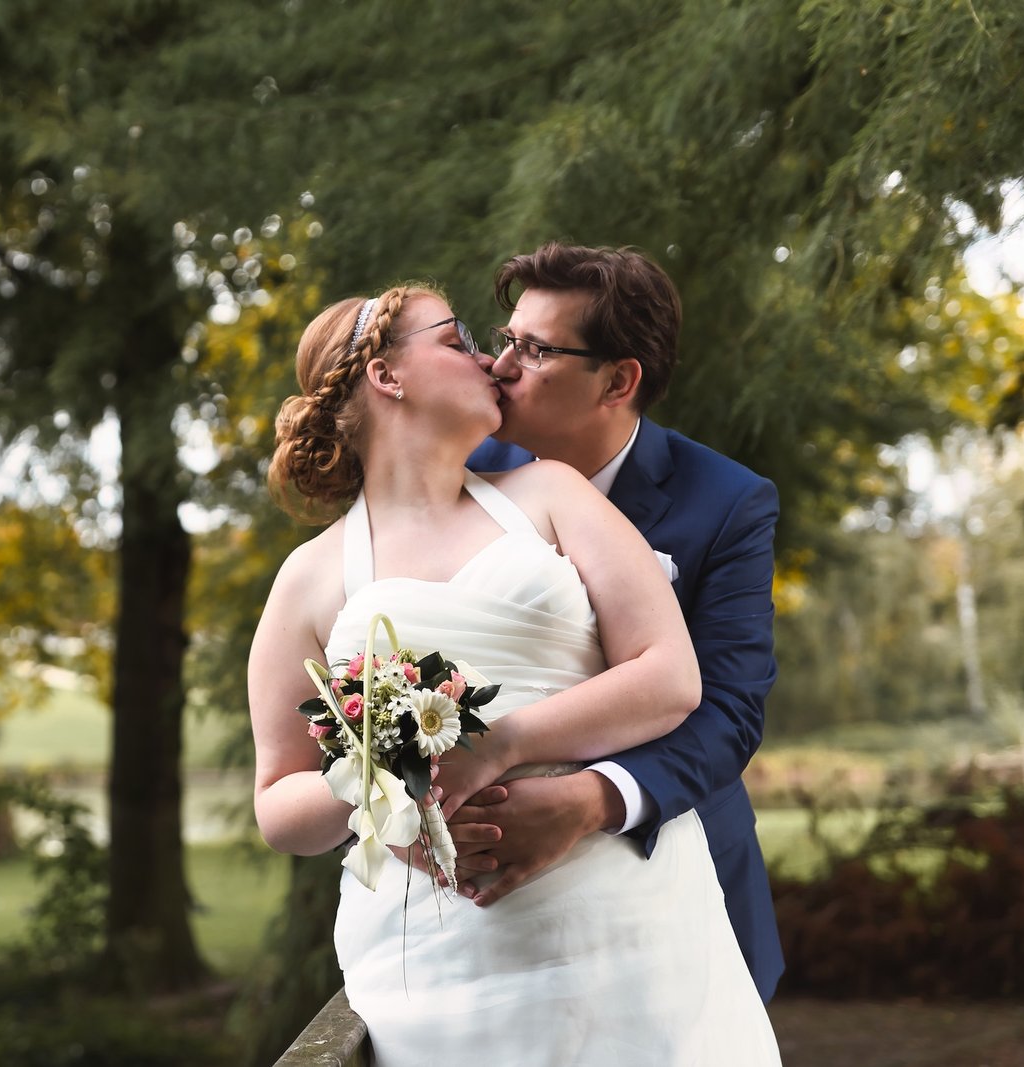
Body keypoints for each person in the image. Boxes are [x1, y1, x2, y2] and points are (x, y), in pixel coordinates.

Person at [249, 284, 780, 1064]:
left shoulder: (552, 494)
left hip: (625, 919)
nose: (491, 359)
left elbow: (674, 679)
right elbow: (277, 800)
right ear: (387, 377)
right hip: (444, 961)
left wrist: (495, 744)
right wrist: (374, 777)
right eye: (457, 335)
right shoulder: (309, 576)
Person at [460, 242, 786, 1003]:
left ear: (619, 379)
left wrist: (592, 799)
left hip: (679, 869)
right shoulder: (461, 470)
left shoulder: (727, 503)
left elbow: (729, 710)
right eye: (505, 338)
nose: (501, 366)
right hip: (493, 901)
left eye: (536, 349)